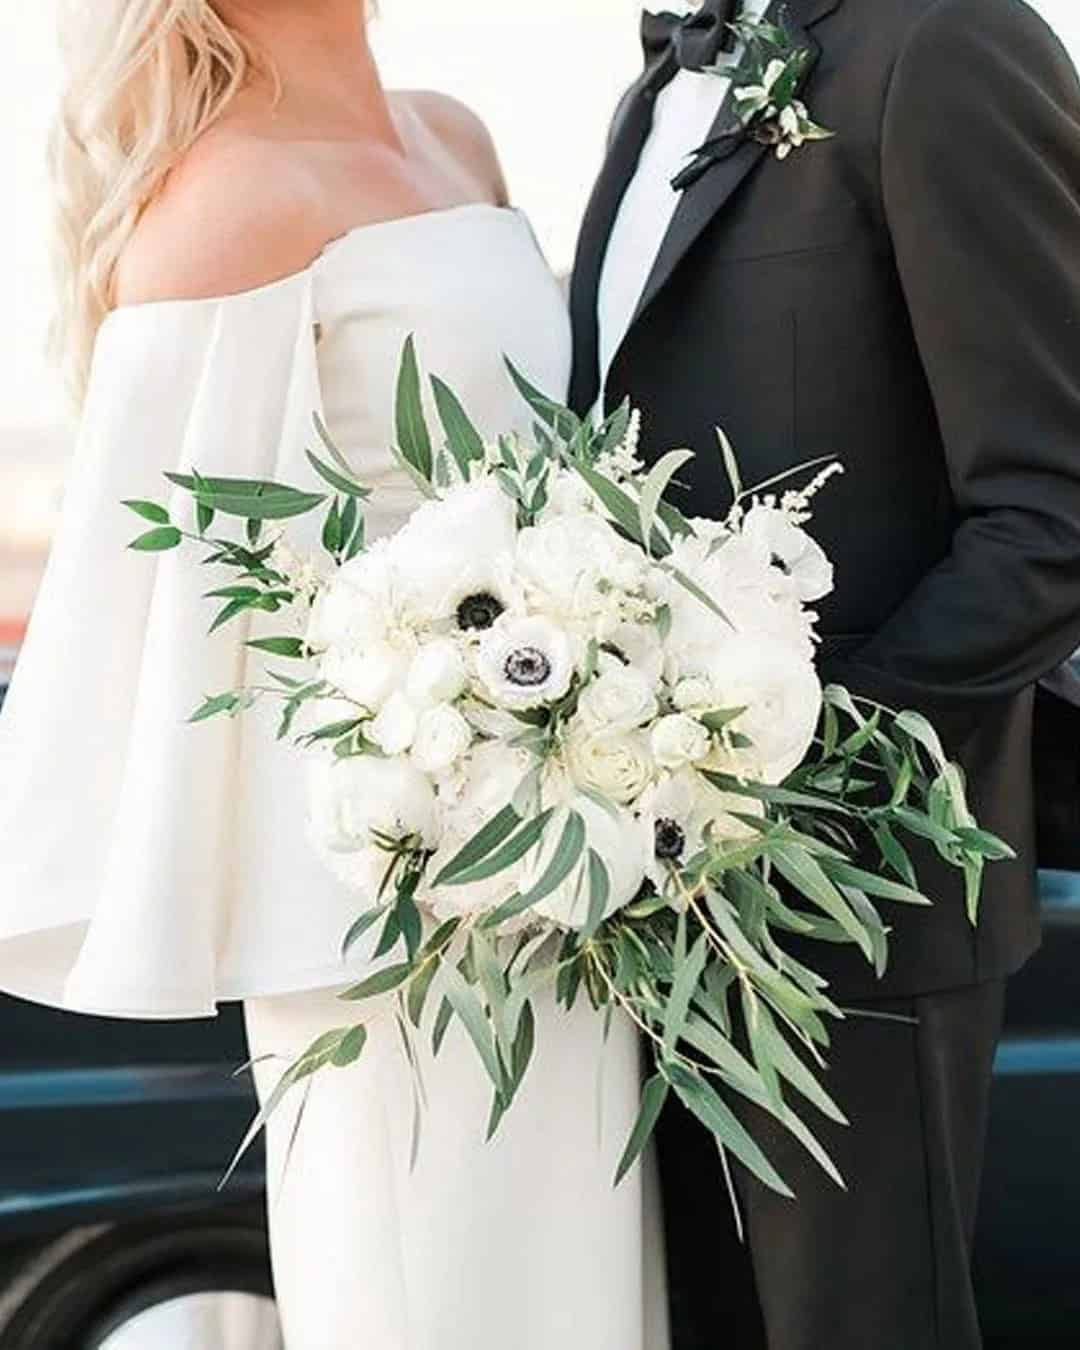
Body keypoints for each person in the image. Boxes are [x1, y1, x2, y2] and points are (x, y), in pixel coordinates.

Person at [0, 3, 670, 1347]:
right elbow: (188, 612)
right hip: (392, 933)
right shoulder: (225, 204)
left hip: (575, 878)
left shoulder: (456, 138)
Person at [569, 0, 1080, 1346]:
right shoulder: (657, 90)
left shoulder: (953, 42)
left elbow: (1054, 509)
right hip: (645, 900)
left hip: (859, 908)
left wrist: (793, 782)